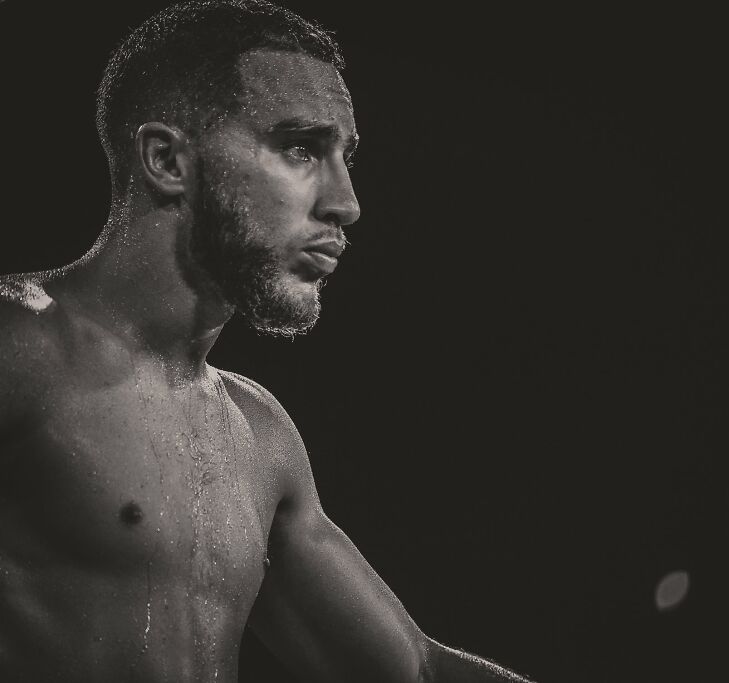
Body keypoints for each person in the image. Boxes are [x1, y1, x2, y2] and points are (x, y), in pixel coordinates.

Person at [0, 1, 536, 681]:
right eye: (301, 149)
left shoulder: (260, 435)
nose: (346, 203)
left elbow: (415, 670)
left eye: (345, 157)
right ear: (167, 160)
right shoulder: (18, 345)